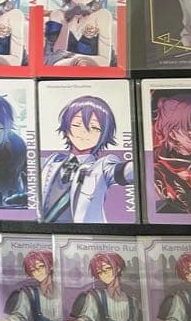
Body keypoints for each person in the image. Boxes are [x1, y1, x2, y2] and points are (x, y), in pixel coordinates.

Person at [40, 94, 133, 224]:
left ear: (104, 134)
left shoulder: (102, 167)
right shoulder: (52, 161)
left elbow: (126, 171)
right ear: (66, 128)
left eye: (94, 128)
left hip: (85, 233)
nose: (84, 132)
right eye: (77, 125)